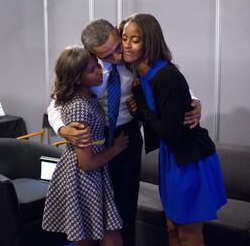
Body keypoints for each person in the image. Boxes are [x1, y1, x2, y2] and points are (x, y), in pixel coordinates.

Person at [47, 18, 202, 246]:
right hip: (96, 138)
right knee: (92, 208)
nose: (117, 57)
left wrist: (195, 101)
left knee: (124, 209)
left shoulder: (136, 58)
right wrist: (62, 128)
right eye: (107, 56)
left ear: (118, 33)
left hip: (126, 137)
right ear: (92, 54)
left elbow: (171, 79)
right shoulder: (88, 69)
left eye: (117, 48)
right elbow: (56, 103)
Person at [121, 13, 227, 246]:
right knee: (172, 227)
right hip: (171, 156)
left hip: (189, 159)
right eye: (124, 37)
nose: (128, 44)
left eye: (135, 39)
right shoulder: (138, 70)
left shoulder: (166, 75)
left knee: (188, 232)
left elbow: (170, 130)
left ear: (149, 41)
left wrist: (141, 110)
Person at [42, 45, 129, 246]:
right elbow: (87, 163)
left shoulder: (87, 96)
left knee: (101, 229)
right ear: (77, 78)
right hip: (84, 176)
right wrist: (115, 148)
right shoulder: (79, 107)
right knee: (88, 233)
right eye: (92, 70)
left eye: (97, 65)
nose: (100, 71)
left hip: (94, 173)